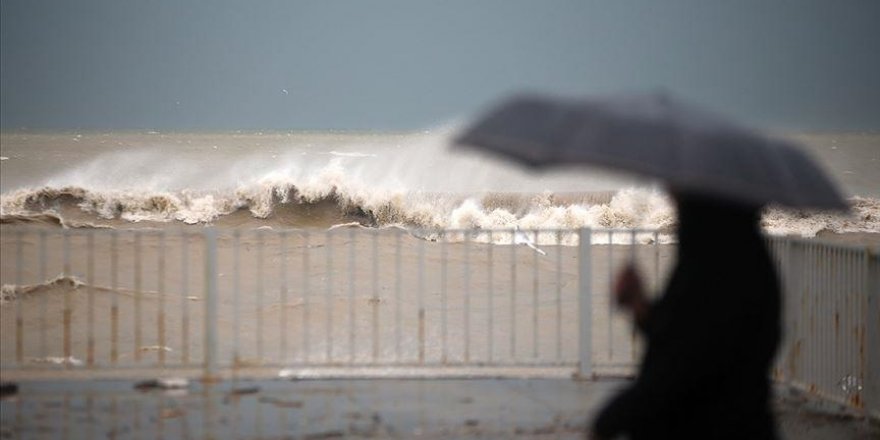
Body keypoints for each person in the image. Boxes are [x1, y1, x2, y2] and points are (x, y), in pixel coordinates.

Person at [590, 192, 781, 440]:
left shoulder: (719, 266)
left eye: (681, 193)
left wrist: (612, 418)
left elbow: (685, 363)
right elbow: (679, 327)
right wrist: (639, 305)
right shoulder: (732, 256)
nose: (672, 197)